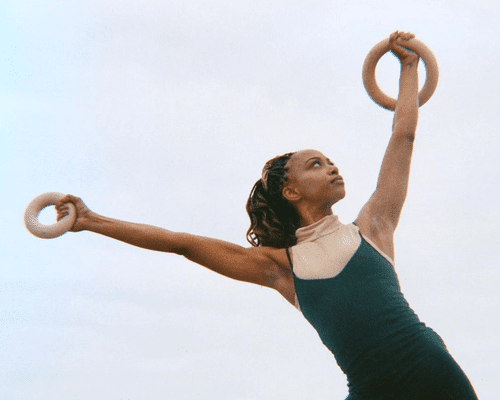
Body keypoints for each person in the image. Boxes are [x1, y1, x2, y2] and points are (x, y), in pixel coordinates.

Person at [55, 31, 478, 399]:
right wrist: (90, 220)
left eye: (329, 160)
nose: (331, 166)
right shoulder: (280, 269)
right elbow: (180, 244)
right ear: (290, 190)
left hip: (433, 374)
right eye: (315, 164)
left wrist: (408, 68)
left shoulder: (375, 226)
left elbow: (402, 134)